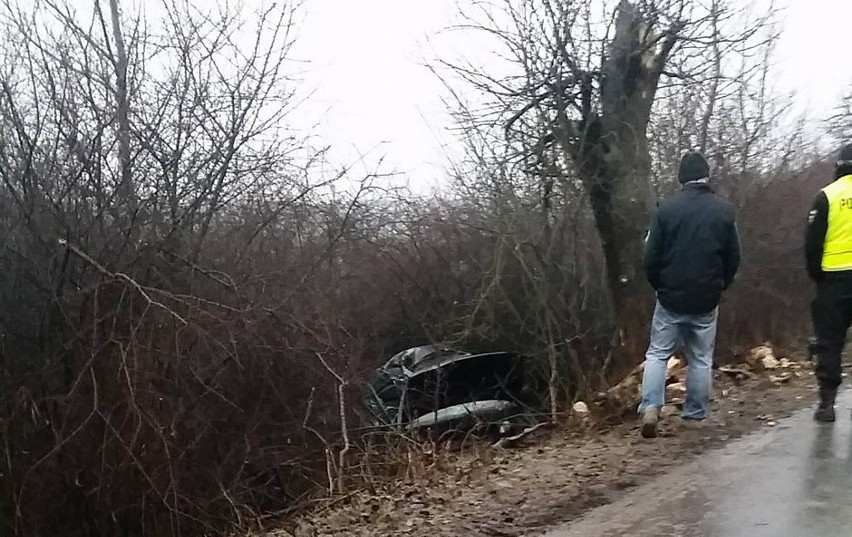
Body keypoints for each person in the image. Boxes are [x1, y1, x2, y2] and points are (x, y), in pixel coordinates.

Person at [638, 151, 741, 438]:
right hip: (707, 298)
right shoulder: (724, 211)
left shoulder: (665, 210)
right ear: (707, 175)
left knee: (658, 353)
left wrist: (659, 285)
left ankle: (650, 407)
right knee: (700, 357)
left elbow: (650, 257)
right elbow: (734, 257)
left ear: (681, 178)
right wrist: (720, 286)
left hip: (670, 295)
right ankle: (694, 413)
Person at [804, 143, 852, 422]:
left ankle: (827, 404)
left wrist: (818, 277)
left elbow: (812, 245)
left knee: (830, 343)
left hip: (833, 282)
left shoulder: (826, 197)